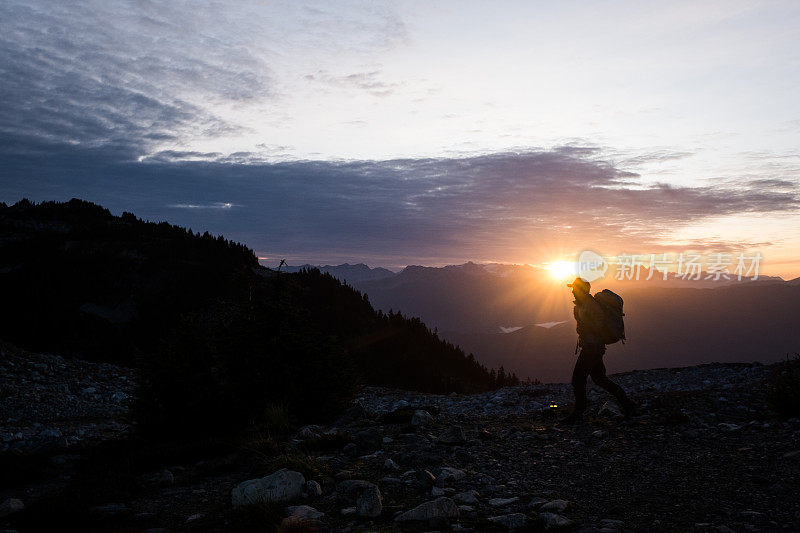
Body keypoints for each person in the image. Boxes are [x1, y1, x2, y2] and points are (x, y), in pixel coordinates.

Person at [561, 277, 636, 424]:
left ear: (582, 290)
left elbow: (599, 323)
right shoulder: (582, 305)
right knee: (600, 379)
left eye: (575, 289)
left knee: (578, 379)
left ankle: (579, 412)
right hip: (593, 346)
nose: (572, 291)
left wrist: (586, 331)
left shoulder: (590, 305)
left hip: (592, 347)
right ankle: (628, 404)